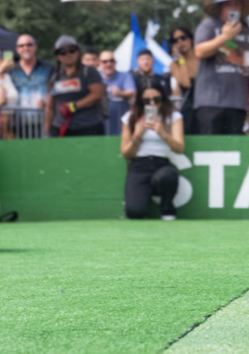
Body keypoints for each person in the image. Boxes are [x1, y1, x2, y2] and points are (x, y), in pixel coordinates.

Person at [193, 0, 249, 135]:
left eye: (237, 4)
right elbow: (199, 52)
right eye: (229, 4)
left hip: (238, 102)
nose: (233, 8)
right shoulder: (209, 25)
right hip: (210, 102)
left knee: (233, 149)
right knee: (210, 149)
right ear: (220, 8)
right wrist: (225, 37)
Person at [120, 83, 185, 219]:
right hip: (138, 165)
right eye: (146, 101)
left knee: (167, 176)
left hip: (161, 163)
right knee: (134, 212)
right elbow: (126, 154)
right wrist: (138, 135)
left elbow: (179, 148)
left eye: (156, 100)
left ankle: (167, 207)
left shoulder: (173, 116)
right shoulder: (130, 117)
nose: (152, 104)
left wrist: (162, 132)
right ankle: (141, 194)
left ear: (163, 99)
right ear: (139, 101)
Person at [44, 34, 107, 137]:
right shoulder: (55, 77)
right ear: (58, 56)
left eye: (72, 50)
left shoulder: (89, 71)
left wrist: (73, 106)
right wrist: (46, 131)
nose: (68, 54)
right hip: (61, 129)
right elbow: (50, 107)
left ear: (78, 52)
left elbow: (97, 95)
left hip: (89, 127)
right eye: (62, 52)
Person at [98, 50, 135, 136]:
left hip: (119, 115)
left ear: (115, 62)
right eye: (105, 61)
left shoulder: (124, 75)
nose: (109, 64)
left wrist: (120, 93)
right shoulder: (95, 77)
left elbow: (133, 92)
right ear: (100, 63)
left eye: (111, 61)